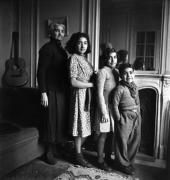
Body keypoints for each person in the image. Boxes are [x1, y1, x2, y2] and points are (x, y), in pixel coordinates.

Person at [37, 22, 69, 164]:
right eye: (57, 30)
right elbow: (41, 72)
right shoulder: (47, 48)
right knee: (50, 121)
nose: (60, 33)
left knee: (59, 121)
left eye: (62, 31)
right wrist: (43, 92)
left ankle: (55, 149)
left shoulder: (62, 51)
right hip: (50, 91)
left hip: (61, 91)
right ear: (51, 32)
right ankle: (48, 152)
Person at [65, 32, 94, 168]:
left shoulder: (85, 59)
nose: (83, 45)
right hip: (78, 95)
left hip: (87, 95)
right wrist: (91, 84)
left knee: (86, 127)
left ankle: (73, 151)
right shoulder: (74, 58)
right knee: (79, 126)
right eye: (79, 42)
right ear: (74, 44)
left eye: (85, 43)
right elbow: (73, 82)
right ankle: (77, 156)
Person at [112, 63, 141, 175]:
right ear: (121, 75)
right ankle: (122, 164)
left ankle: (129, 161)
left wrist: (138, 112)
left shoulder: (134, 86)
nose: (128, 75)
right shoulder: (120, 88)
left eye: (131, 72)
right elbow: (114, 105)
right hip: (124, 117)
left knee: (135, 139)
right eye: (125, 73)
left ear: (133, 74)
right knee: (122, 141)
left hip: (136, 116)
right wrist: (118, 118)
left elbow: (137, 101)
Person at [94, 47, 119, 171]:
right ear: (105, 58)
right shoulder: (102, 72)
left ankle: (108, 157)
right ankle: (100, 160)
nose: (112, 59)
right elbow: (99, 94)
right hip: (104, 108)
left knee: (111, 135)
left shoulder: (116, 72)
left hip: (113, 109)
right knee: (103, 135)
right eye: (109, 57)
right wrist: (104, 112)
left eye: (114, 57)